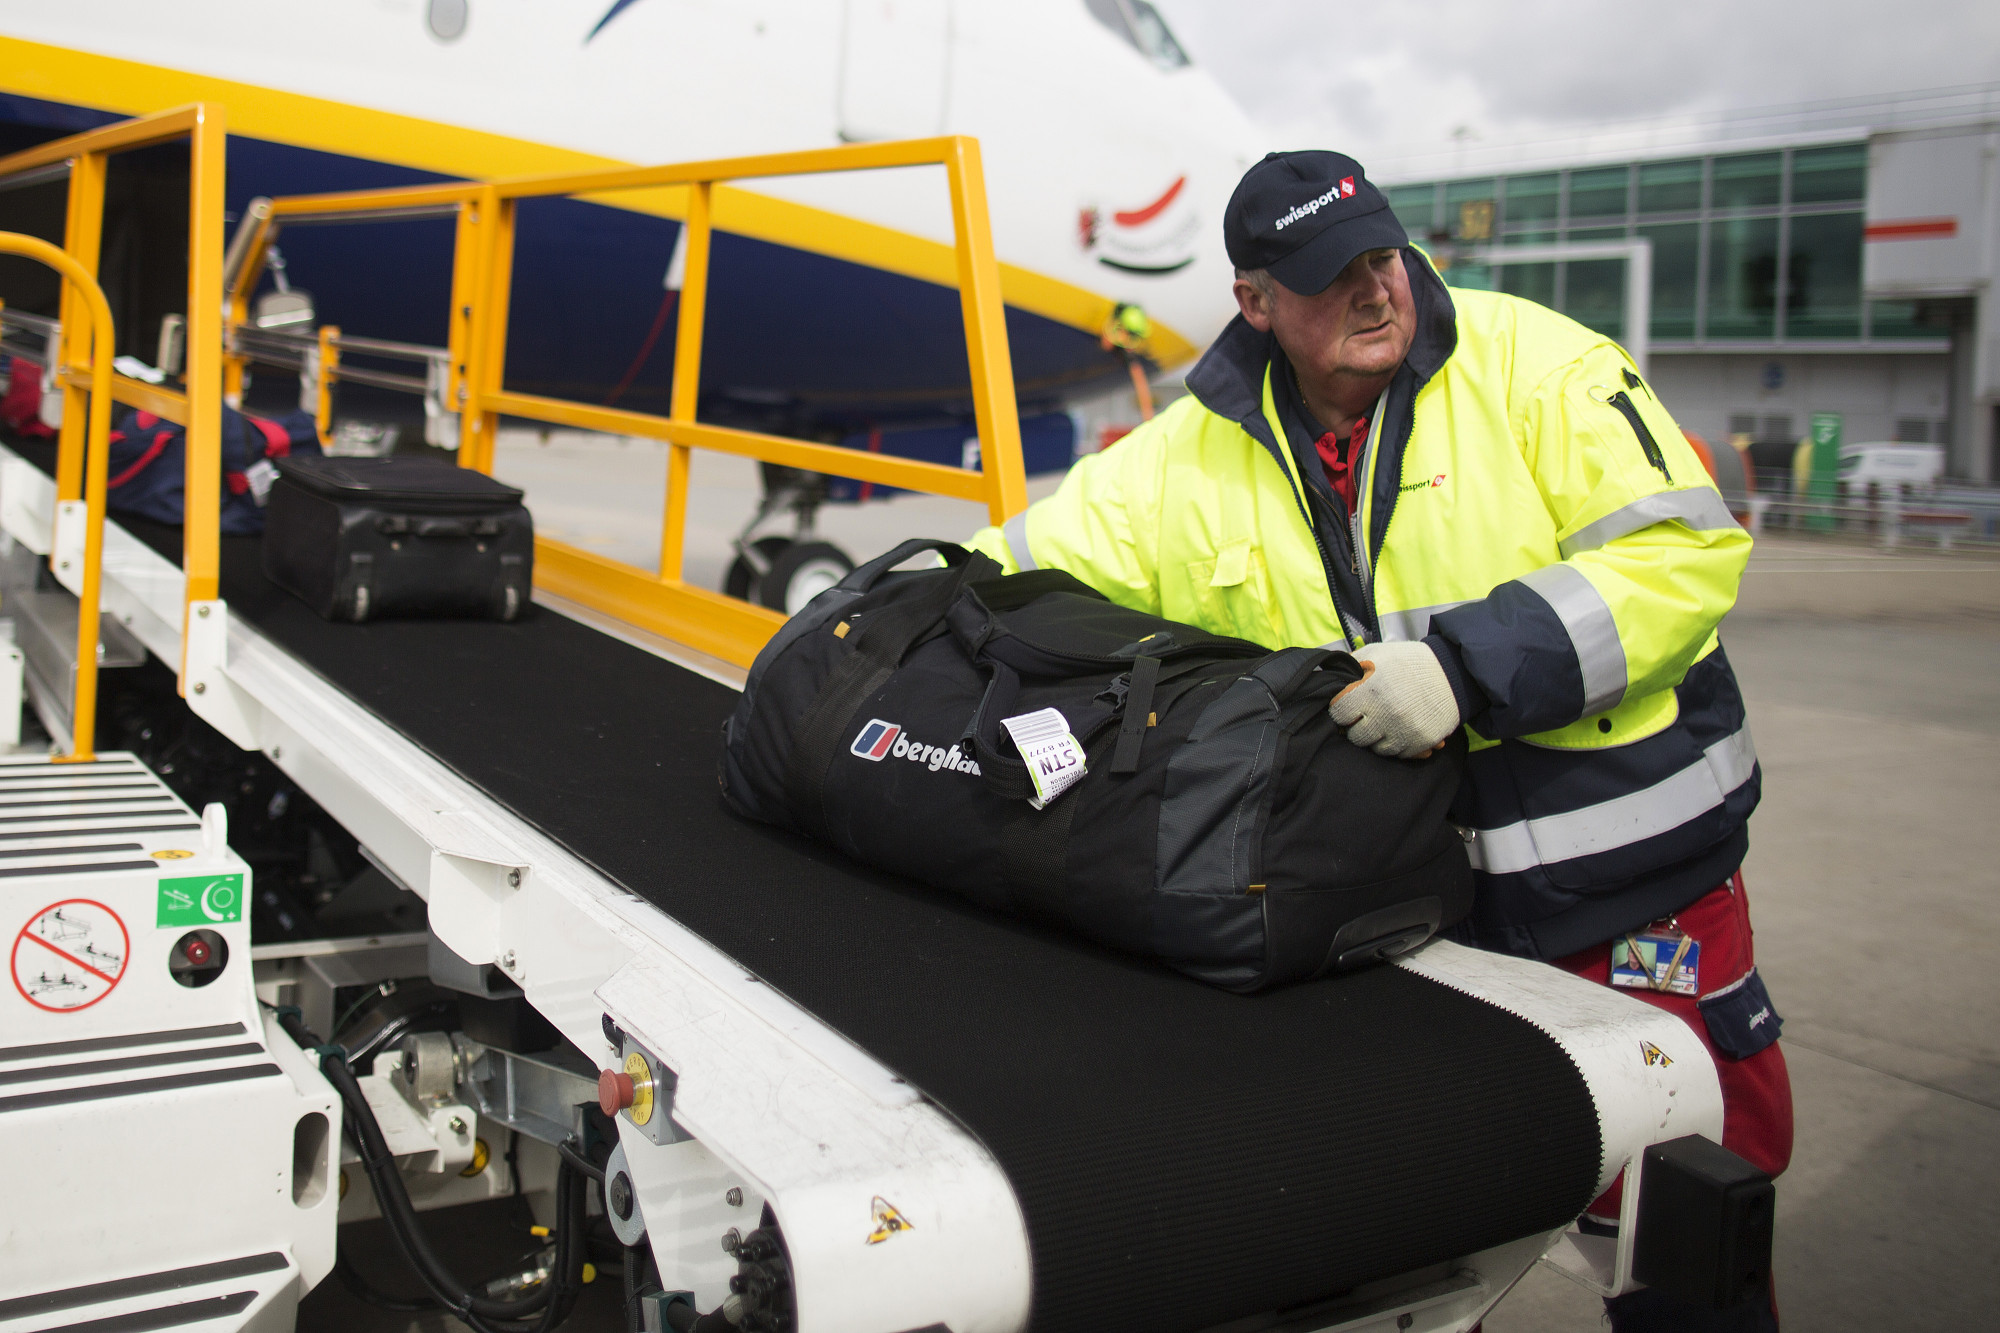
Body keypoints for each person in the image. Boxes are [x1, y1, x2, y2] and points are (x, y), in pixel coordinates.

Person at [967, 151, 1791, 1331]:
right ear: (1253, 302)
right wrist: (876, 625)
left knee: (1680, 1233)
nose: (1374, 290)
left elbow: (1682, 555)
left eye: (1382, 255)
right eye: (1328, 275)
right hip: (1401, 923)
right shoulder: (1180, 458)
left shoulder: (1538, 366)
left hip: (1629, 896)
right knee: (1411, 1239)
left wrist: (1465, 666)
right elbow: (1018, 569)